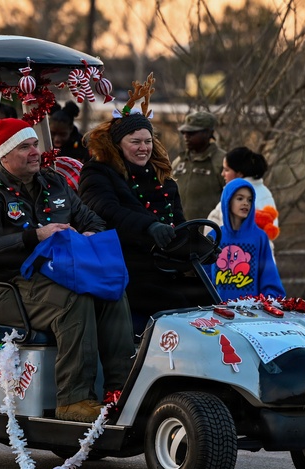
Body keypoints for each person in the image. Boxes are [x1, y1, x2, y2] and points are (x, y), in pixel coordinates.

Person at [0, 118, 135, 423]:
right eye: (24, 147)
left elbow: (91, 219)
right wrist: (34, 237)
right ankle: (74, 400)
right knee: (74, 301)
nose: (34, 152)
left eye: (35, 145)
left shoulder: (53, 183)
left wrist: (91, 234)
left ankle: (118, 390)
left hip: (55, 276)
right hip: (5, 288)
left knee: (111, 293)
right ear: (4, 154)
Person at [79, 84, 212, 334]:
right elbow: (106, 209)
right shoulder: (98, 172)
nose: (144, 148)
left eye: (148, 141)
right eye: (135, 142)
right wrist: (149, 227)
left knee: (209, 301)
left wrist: (199, 248)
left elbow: (179, 224)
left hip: (165, 267)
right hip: (126, 267)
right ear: (118, 144)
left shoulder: (164, 179)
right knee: (180, 307)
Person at [205, 178, 284, 300]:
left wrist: (268, 305)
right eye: (240, 198)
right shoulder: (214, 236)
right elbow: (203, 279)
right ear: (228, 201)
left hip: (251, 315)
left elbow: (270, 279)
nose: (246, 203)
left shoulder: (260, 238)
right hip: (219, 313)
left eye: (250, 199)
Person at [206, 146, 279, 241]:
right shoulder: (263, 192)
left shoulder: (240, 196)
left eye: (227, 170)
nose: (222, 174)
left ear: (239, 173)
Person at [171, 111, 226, 221]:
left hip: (209, 233)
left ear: (207, 133)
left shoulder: (222, 161)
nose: (186, 137)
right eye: (184, 133)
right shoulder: (179, 162)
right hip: (179, 232)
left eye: (191, 133)